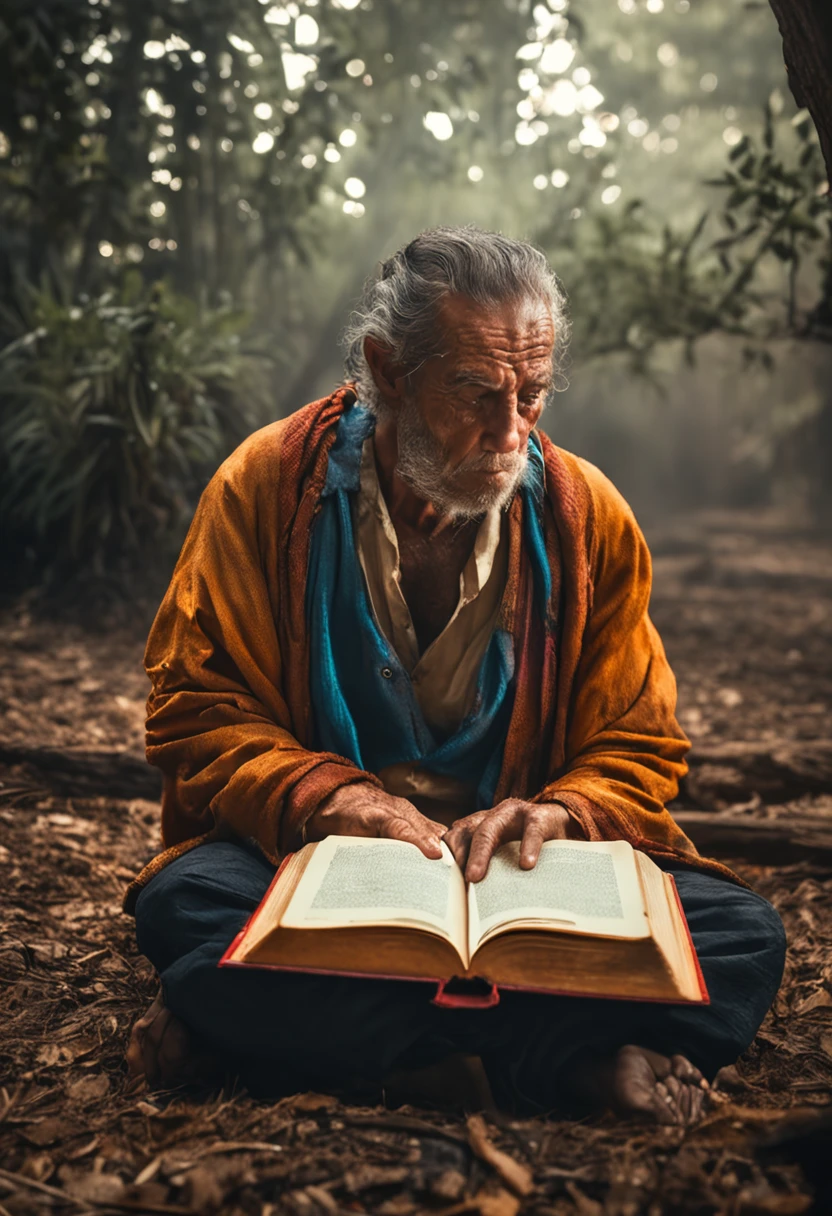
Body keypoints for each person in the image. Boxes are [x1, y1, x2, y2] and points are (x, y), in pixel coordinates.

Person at [125, 227, 785, 1124]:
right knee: (187, 898)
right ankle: (555, 1065)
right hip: (318, 875)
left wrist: (558, 812)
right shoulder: (265, 487)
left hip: (521, 894)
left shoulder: (588, 521)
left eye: (534, 396)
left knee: (743, 935)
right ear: (388, 372)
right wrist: (331, 800)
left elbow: (636, 736)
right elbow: (195, 708)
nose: (511, 433)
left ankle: (307, 1039)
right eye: (478, 392)